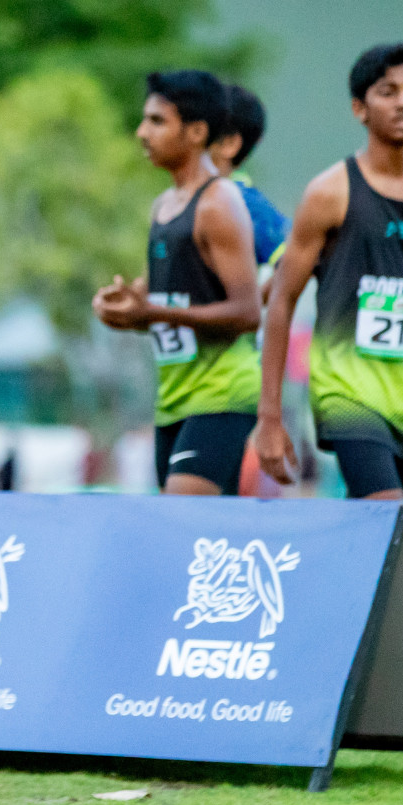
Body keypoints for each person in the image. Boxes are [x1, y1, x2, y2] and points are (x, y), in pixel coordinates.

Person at [255, 43, 403, 500]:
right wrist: (270, 416)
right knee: (387, 507)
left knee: (377, 533)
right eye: (388, 91)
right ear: (360, 109)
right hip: (345, 391)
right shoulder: (329, 192)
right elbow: (282, 301)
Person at [93, 70, 261, 495]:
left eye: (156, 121)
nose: (141, 132)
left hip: (221, 394)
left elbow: (247, 312)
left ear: (196, 132)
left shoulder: (219, 203)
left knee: (179, 527)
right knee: (201, 542)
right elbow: (168, 297)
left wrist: (151, 312)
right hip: (173, 399)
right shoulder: (163, 206)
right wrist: (127, 310)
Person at [209, 84, 289, 270]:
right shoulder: (175, 200)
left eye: (198, 128)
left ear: (228, 143)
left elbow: (293, 264)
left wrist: (254, 297)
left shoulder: (246, 205)